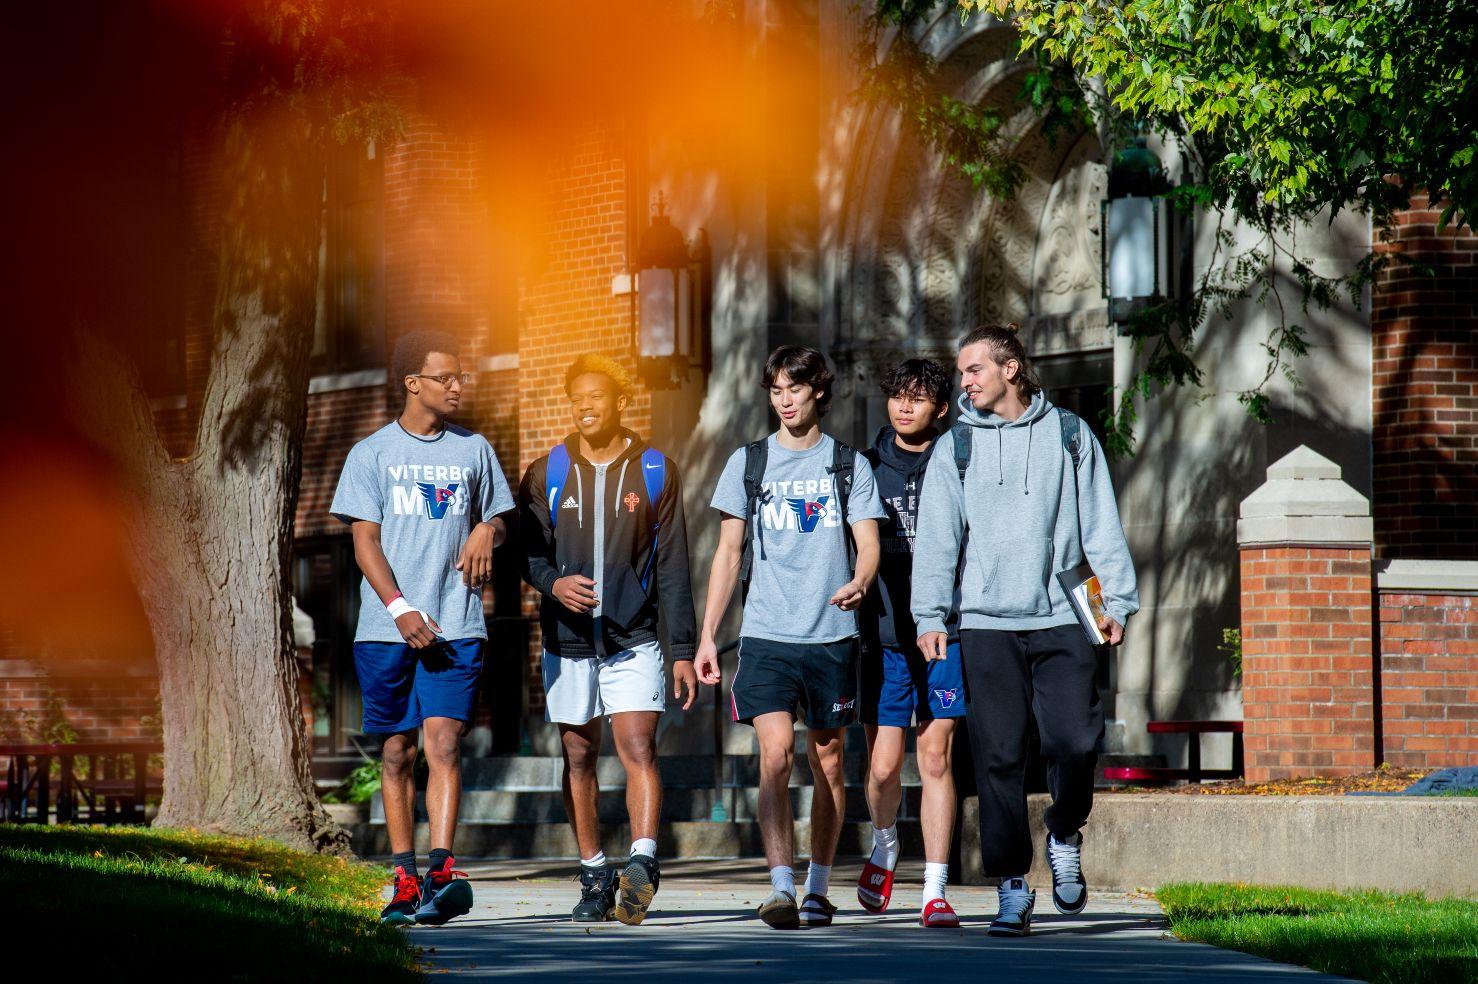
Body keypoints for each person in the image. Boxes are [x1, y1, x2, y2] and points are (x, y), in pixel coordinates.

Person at [911, 323, 1138, 937]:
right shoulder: (956, 445)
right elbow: (937, 536)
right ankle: (1012, 887)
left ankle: (1064, 831)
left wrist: (1117, 599)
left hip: (1065, 614)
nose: (964, 382)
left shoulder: (1070, 435)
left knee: (1074, 742)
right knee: (1000, 758)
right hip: (986, 623)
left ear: (1009, 369)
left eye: (973, 370)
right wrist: (930, 616)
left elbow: (1100, 520)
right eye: (962, 373)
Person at [694, 345, 884, 929]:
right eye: (776, 389)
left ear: (817, 392)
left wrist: (860, 579)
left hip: (831, 633)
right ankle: (779, 886)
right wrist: (707, 637)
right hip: (767, 633)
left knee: (827, 761)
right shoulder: (747, 463)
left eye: (795, 390)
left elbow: (869, 542)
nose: (784, 400)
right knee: (774, 754)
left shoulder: (849, 464)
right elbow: (727, 555)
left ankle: (818, 886)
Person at [330, 329, 515, 926]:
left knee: (444, 746)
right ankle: (404, 880)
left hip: (457, 622)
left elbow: (500, 518)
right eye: (446, 377)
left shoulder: (474, 450)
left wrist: (489, 529)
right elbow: (365, 543)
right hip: (387, 630)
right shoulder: (371, 453)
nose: (458, 386)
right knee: (396, 752)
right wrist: (401, 608)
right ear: (413, 383)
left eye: (461, 376)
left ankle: (441, 874)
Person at [519, 354, 699, 925]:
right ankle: (595, 874)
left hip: (634, 638)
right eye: (577, 399)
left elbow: (672, 566)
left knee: (639, 748)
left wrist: (684, 651)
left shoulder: (654, 470)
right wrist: (553, 583)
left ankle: (642, 864)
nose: (585, 406)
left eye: (595, 396)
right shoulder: (546, 472)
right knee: (578, 754)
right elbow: (527, 555)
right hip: (567, 641)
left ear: (621, 402)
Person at [854, 357, 964, 928]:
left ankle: (935, 887)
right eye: (897, 395)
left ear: (940, 409)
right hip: (885, 637)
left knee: (935, 757)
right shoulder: (864, 468)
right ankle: (885, 842)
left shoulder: (961, 460)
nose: (904, 405)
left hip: (947, 635)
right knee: (882, 767)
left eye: (918, 398)